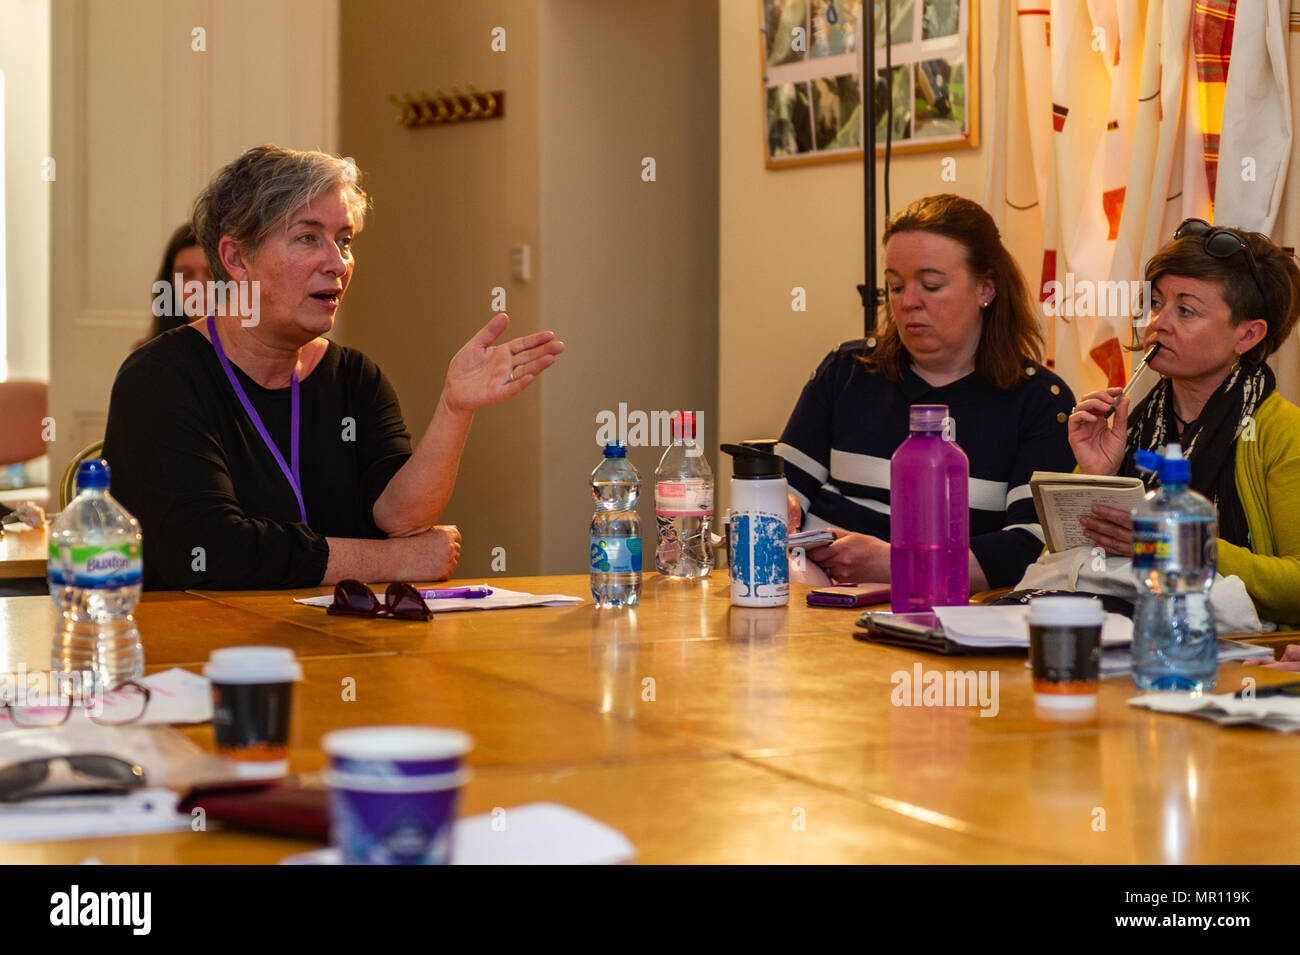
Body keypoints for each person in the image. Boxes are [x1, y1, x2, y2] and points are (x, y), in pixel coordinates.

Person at [102, 145, 564, 590]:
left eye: (344, 241)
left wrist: (455, 408)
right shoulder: (159, 379)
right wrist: (392, 561)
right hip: (203, 655)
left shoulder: (356, 379)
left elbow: (400, 519)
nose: (338, 263)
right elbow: (209, 550)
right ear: (236, 259)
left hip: (336, 645)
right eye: (308, 238)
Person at [779, 193, 1077, 590]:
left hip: (940, 613)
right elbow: (782, 487)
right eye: (896, 286)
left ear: (985, 288)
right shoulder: (848, 371)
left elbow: (1028, 552)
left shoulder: (1042, 402)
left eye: (931, 285)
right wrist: (776, 508)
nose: (908, 303)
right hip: (812, 592)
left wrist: (901, 567)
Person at [1069, 219, 1300, 626]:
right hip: (1114, 628)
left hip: (1225, 653)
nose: (1158, 323)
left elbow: (1295, 590)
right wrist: (1097, 475)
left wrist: (1181, 544)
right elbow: (1065, 567)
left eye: (1186, 310)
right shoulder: (1131, 423)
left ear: (1247, 336)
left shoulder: (1282, 431)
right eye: (1156, 303)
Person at [138, 223, 212, 346]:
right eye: (185, 275)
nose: (198, 286)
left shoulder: (250, 356)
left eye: (211, 274)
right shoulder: (148, 356)